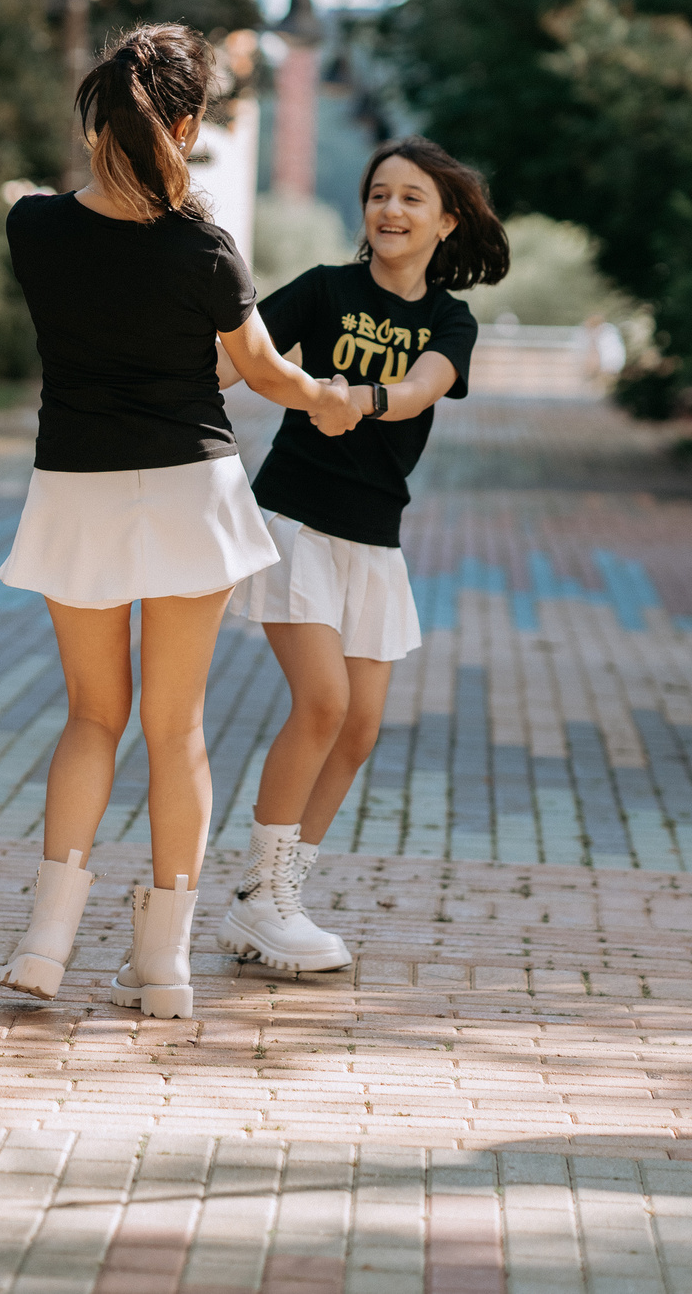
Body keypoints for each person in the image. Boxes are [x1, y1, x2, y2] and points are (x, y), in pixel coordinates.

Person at [0, 23, 349, 1020]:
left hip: (77, 490)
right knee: (175, 726)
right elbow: (266, 374)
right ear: (185, 127)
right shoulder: (206, 249)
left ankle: (44, 944)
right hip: (193, 492)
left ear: (96, 121)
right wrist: (327, 397)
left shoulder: (32, 228)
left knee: (90, 717)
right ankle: (163, 971)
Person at [213, 136, 511, 975]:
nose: (391, 209)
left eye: (412, 197)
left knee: (359, 728)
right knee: (322, 704)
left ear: (446, 222)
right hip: (295, 521)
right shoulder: (324, 289)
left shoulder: (450, 319)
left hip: (375, 537)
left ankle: (274, 897)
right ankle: (260, 897)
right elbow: (235, 360)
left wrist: (357, 399)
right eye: (380, 194)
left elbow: (419, 389)